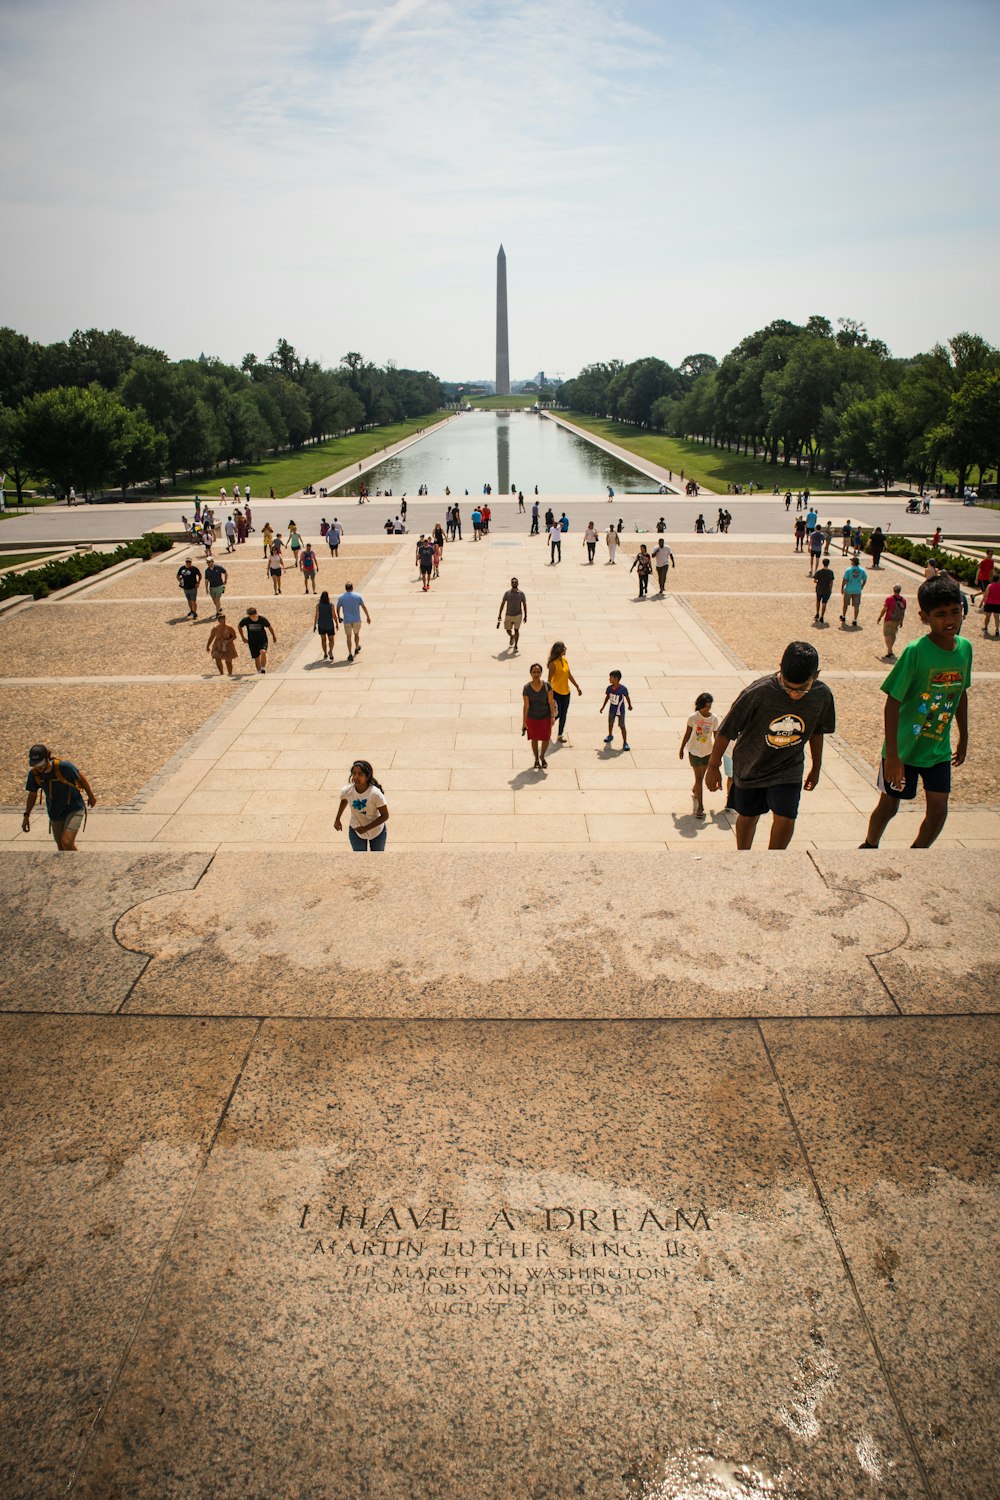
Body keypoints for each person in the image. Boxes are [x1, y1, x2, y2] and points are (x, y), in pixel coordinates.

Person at [860, 575, 971, 849]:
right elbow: (892, 703)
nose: (950, 620)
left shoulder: (965, 649)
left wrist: (964, 735)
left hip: (937, 750)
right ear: (924, 617)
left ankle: (917, 854)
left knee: (938, 811)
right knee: (889, 806)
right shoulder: (915, 652)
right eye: (940, 614)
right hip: (904, 751)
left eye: (955, 612)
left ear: (962, 610)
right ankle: (870, 845)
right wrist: (894, 757)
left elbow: (961, 692)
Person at [705, 641, 836, 850]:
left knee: (786, 816)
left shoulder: (822, 695)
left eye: (802, 689)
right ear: (780, 669)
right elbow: (726, 730)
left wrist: (816, 767)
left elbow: (817, 731)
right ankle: (744, 856)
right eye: (787, 687)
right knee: (748, 816)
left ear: (816, 676)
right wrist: (712, 767)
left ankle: (775, 860)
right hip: (751, 766)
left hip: (788, 767)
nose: (794, 694)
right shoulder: (759, 692)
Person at [22, 743, 96, 850]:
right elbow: (32, 795)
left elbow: (80, 778)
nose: (39, 767)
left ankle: (78, 866)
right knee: (61, 848)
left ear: (48, 759)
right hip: (55, 812)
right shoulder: (34, 775)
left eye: (41, 763)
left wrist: (91, 796)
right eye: (35, 764)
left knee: (67, 841)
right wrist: (26, 816)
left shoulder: (64, 767)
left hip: (74, 808)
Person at [678, 692, 718, 818]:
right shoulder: (693, 717)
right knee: (699, 779)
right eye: (705, 707)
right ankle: (700, 807)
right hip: (694, 751)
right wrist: (681, 748)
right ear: (700, 706)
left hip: (708, 752)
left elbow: (716, 737)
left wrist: (718, 755)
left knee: (701, 776)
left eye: (709, 706)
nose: (708, 709)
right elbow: (687, 733)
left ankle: (696, 790)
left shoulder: (714, 719)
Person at [334, 760, 389, 851]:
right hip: (356, 830)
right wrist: (337, 819)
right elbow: (344, 800)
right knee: (359, 861)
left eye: (360, 774)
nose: (356, 777)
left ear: (367, 777)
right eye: (354, 773)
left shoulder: (375, 794)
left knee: (377, 860)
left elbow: (385, 816)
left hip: (377, 832)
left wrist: (365, 828)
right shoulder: (347, 791)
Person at [522, 662, 556, 770]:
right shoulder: (527, 688)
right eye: (534, 672)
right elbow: (526, 706)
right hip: (532, 718)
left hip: (545, 716)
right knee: (534, 739)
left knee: (546, 738)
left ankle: (542, 756)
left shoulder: (547, 686)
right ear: (531, 673)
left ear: (541, 673)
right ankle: (536, 758)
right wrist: (524, 721)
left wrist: (552, 716)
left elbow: (551, 702)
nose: (536, 674)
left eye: (538, 672)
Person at [547, 641, 582, 743]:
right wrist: (547, 693)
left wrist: (577, 686)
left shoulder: (565, 661)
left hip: (566, 692)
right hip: (556, 692)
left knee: (564, 713)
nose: (566, 649)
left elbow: (569, 675)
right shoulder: (553, 664)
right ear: (560, 650)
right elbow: (549, 680)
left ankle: (560, 734)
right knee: (558, 713)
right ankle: (548, 725)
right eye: (564, 648)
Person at [337, 582, 371, 661]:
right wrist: (368, 616)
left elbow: (338, 607)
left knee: (348, 637)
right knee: (356, 634)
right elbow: (363, 606)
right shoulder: (357, 596)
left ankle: (350, 653)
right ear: (352, 588)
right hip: (356, 619)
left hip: (347, 620)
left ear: (346, 588)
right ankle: (356, 647)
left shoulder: (342, 597)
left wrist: (339, 616)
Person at [601, 670, 632, 751]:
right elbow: (607, 697)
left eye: (610, 678)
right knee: (610, 723)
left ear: (616, 678)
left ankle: (625, 742)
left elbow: (627, 697)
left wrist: (629, 705)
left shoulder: (623, 689)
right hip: (612, 709)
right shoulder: (609, 688)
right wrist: (603, 707)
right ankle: (610, 735)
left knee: (622, 726)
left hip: (620, 710)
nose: (609, 679)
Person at [238, 607, 276, 673]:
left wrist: (273, 636)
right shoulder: (246, 620)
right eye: (251, 617)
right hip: (252, 641)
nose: (253, 618)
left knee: (263, 652)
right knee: (256, 657)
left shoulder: (262, 619)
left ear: (256, 614)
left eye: (254, 616)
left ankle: (263, 668)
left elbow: (269, 627)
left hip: (262, 639)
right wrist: (243, 637)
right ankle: (259, 671)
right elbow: (239, 626)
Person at [876, 584, 907, 661]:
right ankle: (890, 649)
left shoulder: (889, 599)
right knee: (893, 634)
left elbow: (885, 609)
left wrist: (880, 617)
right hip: (897, 620)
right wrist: (901, 621)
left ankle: (890, 650)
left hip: (889, 619)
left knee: (887, 634)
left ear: (893, 590)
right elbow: (903, 611)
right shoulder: (903, 600)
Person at [497, 577, 527, 652]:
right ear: (511, 583)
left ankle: (516, 645)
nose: (514, 583)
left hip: (518, 615)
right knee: (508, 630)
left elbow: (524, 605)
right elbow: (503, 604)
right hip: (509, 615)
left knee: (516, 630)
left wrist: (525, 616)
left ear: (518, 583)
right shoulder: (507, 593)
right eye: (513, 582)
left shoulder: (521, 594)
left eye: (515, 582)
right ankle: (512, 636)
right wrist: (499, 614)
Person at [840, 555, 868, 627]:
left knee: (845, 604)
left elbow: (845, 580)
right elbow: (864, 579)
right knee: (856, 606)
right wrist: (861, 586)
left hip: (848, 589)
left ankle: (843, 616)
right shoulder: (862, 570)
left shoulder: (848, 570)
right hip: (857, 590)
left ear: (853, 562)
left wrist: (842, 588)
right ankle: (855, 620)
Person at [314, 589, 337, 660]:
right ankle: (330, 650)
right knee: (331, 640)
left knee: (323, 640)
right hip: (330, 624)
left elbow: (316, 616)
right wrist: (336, 623)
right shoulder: (331, 605)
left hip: (321, 625)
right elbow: (333, 615)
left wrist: (314, 625)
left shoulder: (318, 606)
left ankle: (325, 653)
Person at [814, 558, 835, 624]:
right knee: (824, 603)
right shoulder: (830, 572)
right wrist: (831, 589)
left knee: (818, 601)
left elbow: (815, 580)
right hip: (827, 590)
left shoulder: (819, 572)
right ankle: (822, 616)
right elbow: (831, 582)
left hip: (819, 588)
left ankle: (817, 613)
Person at [982, 570, 1000, 638]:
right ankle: (997, 630)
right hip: (998, 603)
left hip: (989, 603)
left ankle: (986, 627)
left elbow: (986, 595)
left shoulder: (990, 586)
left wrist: (984, 602)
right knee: (996, 617)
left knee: (987, 616)